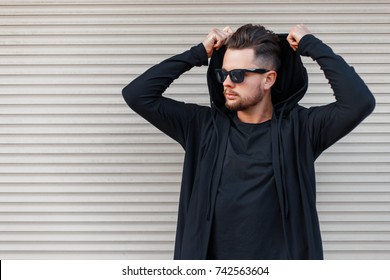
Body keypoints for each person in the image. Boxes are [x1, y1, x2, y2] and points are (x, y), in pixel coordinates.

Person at [122, 24, 375, 260]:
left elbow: (359, 102)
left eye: (239, 74)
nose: (227, 83)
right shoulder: (201, 127)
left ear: (269, 79)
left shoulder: (301, 129)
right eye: (224, 73)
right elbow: (137, 94)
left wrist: (312, 45)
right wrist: (199, 53)